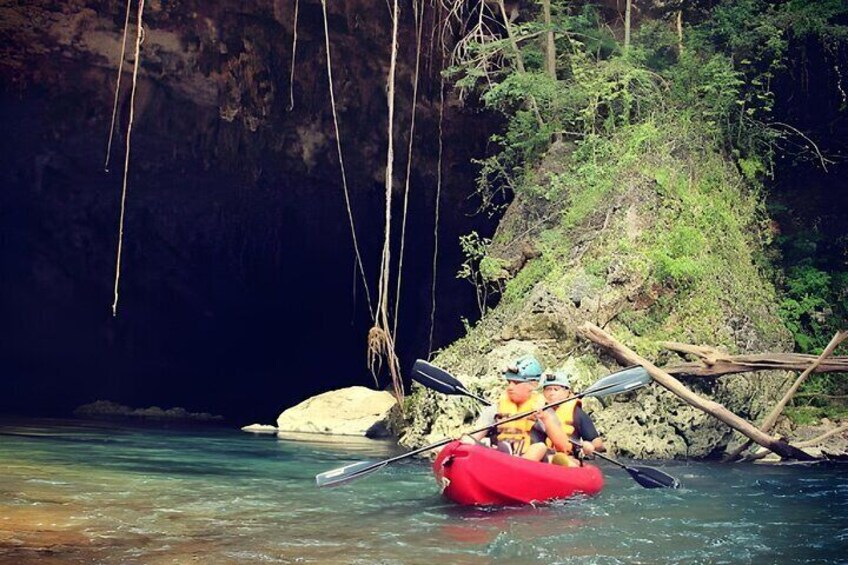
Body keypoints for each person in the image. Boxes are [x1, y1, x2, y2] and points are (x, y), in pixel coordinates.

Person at [464, 355, 570, 462]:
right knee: (469, 441)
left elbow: (563, 447)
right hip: (499, 461)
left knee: (540, 447)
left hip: (531, 466)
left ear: (533, 384)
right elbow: (475, 436)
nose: (510, 387)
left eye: (517, 383)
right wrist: (467, 440)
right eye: (509, 382)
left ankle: (517, 464)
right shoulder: (495, 409)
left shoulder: (544, 410)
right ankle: (507, 460)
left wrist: (545, 418)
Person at [539, 370, 606, 466]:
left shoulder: (577, 413)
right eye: (548, 389)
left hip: (568, 459)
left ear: (567, 392)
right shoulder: (537, 411)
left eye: (556, 389)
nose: (551, 393)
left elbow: (599, 444)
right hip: (543, 457)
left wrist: (590, 446)